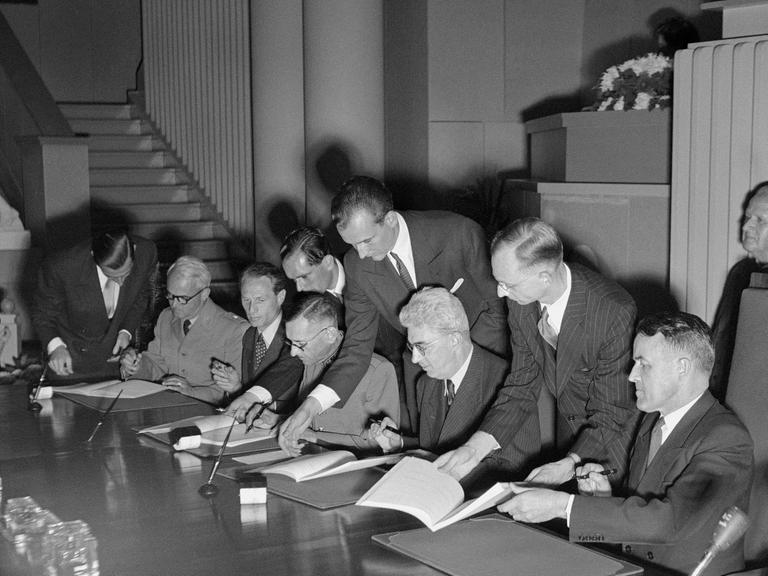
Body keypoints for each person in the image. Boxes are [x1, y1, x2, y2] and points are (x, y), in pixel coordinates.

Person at [498, 312, 754, 576]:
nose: (631, 375)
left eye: (643, 364)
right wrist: (603, 500)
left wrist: (562, 506)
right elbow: (642, 517)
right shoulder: (651, 422)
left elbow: (670, 522)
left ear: (683, 367)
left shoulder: (726, 436)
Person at [278, 175, 507, 455]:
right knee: (429, 456)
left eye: (366, 241)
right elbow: (357, 348)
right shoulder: (358, 266)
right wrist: (310, 407)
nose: (361, 253)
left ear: (390, 219)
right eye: (352, 244)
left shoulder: (457, 233)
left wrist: (471, 366)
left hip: (484, 359)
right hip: (422, 372)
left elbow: (498, 306)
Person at [436, 218, 639, 485]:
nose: (500, 292)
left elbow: (612, 411)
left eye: (508, 284)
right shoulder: (521, 302)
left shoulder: (613, 310)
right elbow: (522, 384)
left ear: (544, 276)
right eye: (498, 281)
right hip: (568, 436)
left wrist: (571, 463)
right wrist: (474, 450)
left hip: (614, 442)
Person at [371, 287, 510, 465]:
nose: (414, 359)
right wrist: (400, 444)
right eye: (412, 347)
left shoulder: (508, 384)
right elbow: (435, 447)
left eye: (422, 347)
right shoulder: (426, 384)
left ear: (454, 340)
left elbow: (513, 465)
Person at [250, 292, 399, 450]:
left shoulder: (378, 369)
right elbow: (315, 421)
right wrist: (280, 421)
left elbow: (382, 444)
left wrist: (315, 437)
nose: (293, 353)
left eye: (300, 344)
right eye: (290, 343)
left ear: (330, 334)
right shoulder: (312, 360)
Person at [120, 256, 248, 404]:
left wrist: (191, 392)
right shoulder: (166, 317)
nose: (174, 304)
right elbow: (156, 364)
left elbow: (233, 391)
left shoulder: (234, 330)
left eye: (182, 298)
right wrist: (135, 365)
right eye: (170, 295)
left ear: (204, 294)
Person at [31, 230, 157, 379]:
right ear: (93, 257)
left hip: (115, 365)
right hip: (70, 364)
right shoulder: (62, 265)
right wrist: (56, 347)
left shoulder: (146, 252)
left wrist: (125, 331)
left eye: (126, 274)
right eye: (112, 276)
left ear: (134, 250)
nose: (121, 282)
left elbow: (140, 295)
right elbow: (42, 313)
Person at [215, 263, 303, 420]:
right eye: (246, 300)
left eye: (260, 300)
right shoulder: (249, 335)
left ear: (280, 297)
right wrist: (236, 387)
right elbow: (250, 395)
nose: (251, 309)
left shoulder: (296, 334)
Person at [710, 182, 768, 401]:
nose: (746, 227)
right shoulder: (741, 272)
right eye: (747, 217)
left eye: (760, 220)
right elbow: (721, 337)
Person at [280, 226, 345, 298]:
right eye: (294, 280)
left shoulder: (357, 270)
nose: (299, 289)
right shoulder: (299, 301)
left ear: (328, 262)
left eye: (304, 277)